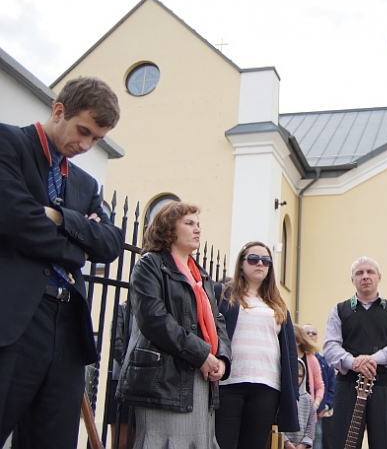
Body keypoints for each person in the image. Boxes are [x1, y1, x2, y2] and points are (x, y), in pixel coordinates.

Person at [0, 76, 123, 448]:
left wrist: (58, 218)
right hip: (16, 318)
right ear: (59, 111)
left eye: (97, 140)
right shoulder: (9, 144)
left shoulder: (85, 184)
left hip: (69, 326)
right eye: (82, 131)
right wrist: (77, 246)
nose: (85, 145)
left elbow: (111, 244)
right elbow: (18, 219)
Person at [116, 201, 231, 447]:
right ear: (168, 229)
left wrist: (221, 357)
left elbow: (217, 319)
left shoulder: (201, 275)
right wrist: (202, 354)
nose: (197, 229)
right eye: (189, 224)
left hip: (201, 377)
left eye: (198, 224)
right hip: (163, 380)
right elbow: (154, 319)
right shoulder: (150, 265)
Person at [215, 240, 300, 449]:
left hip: (267, 385)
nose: (259, 263)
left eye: (266, 260)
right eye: (253, 259)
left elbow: (289, 353)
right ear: (242, 264)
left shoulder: (278, 305)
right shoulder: (223, 294)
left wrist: (293, 395)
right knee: (222, 443)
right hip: (229, 382)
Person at [323, 257, 387, 449]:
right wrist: (353, 362)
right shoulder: (340, 310)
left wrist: (373, 359)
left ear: (379, 277)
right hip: (348, 386)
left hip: (384, 387)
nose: (365, 277)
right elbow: (330, 346)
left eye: (370, 272)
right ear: (352, 279)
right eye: (359, 273)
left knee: (384, 443)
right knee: (343, 443)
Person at [302, 324, 336, 449]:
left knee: (317, 444)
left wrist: (326, 406)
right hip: (299, 412)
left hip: (318, 413)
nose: (311, 335)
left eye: (314, 333)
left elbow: (332, 386)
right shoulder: (295, 357)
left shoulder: (324, 361)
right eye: (307, 332)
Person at [108, 301, 135, 449]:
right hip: (121, 381)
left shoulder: (154, 308)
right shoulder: (122, 309)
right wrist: (134, 368)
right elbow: (116, 344)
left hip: (146, 385)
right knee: (122, 443)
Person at [293, 324, 325, 418]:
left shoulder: (311, 359)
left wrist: (316, 404)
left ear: (298, 341)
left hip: (307, 410)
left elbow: (320, 386)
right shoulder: (284, 358)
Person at [284, 359, 317, 449]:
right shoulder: (282, 396)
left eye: (300, 376)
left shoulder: (308, 399)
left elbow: (311, 425)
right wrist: (286, 442)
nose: (297, 379)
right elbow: (276, 423)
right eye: (294, 376)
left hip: (302, 445)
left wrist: (303, 445)